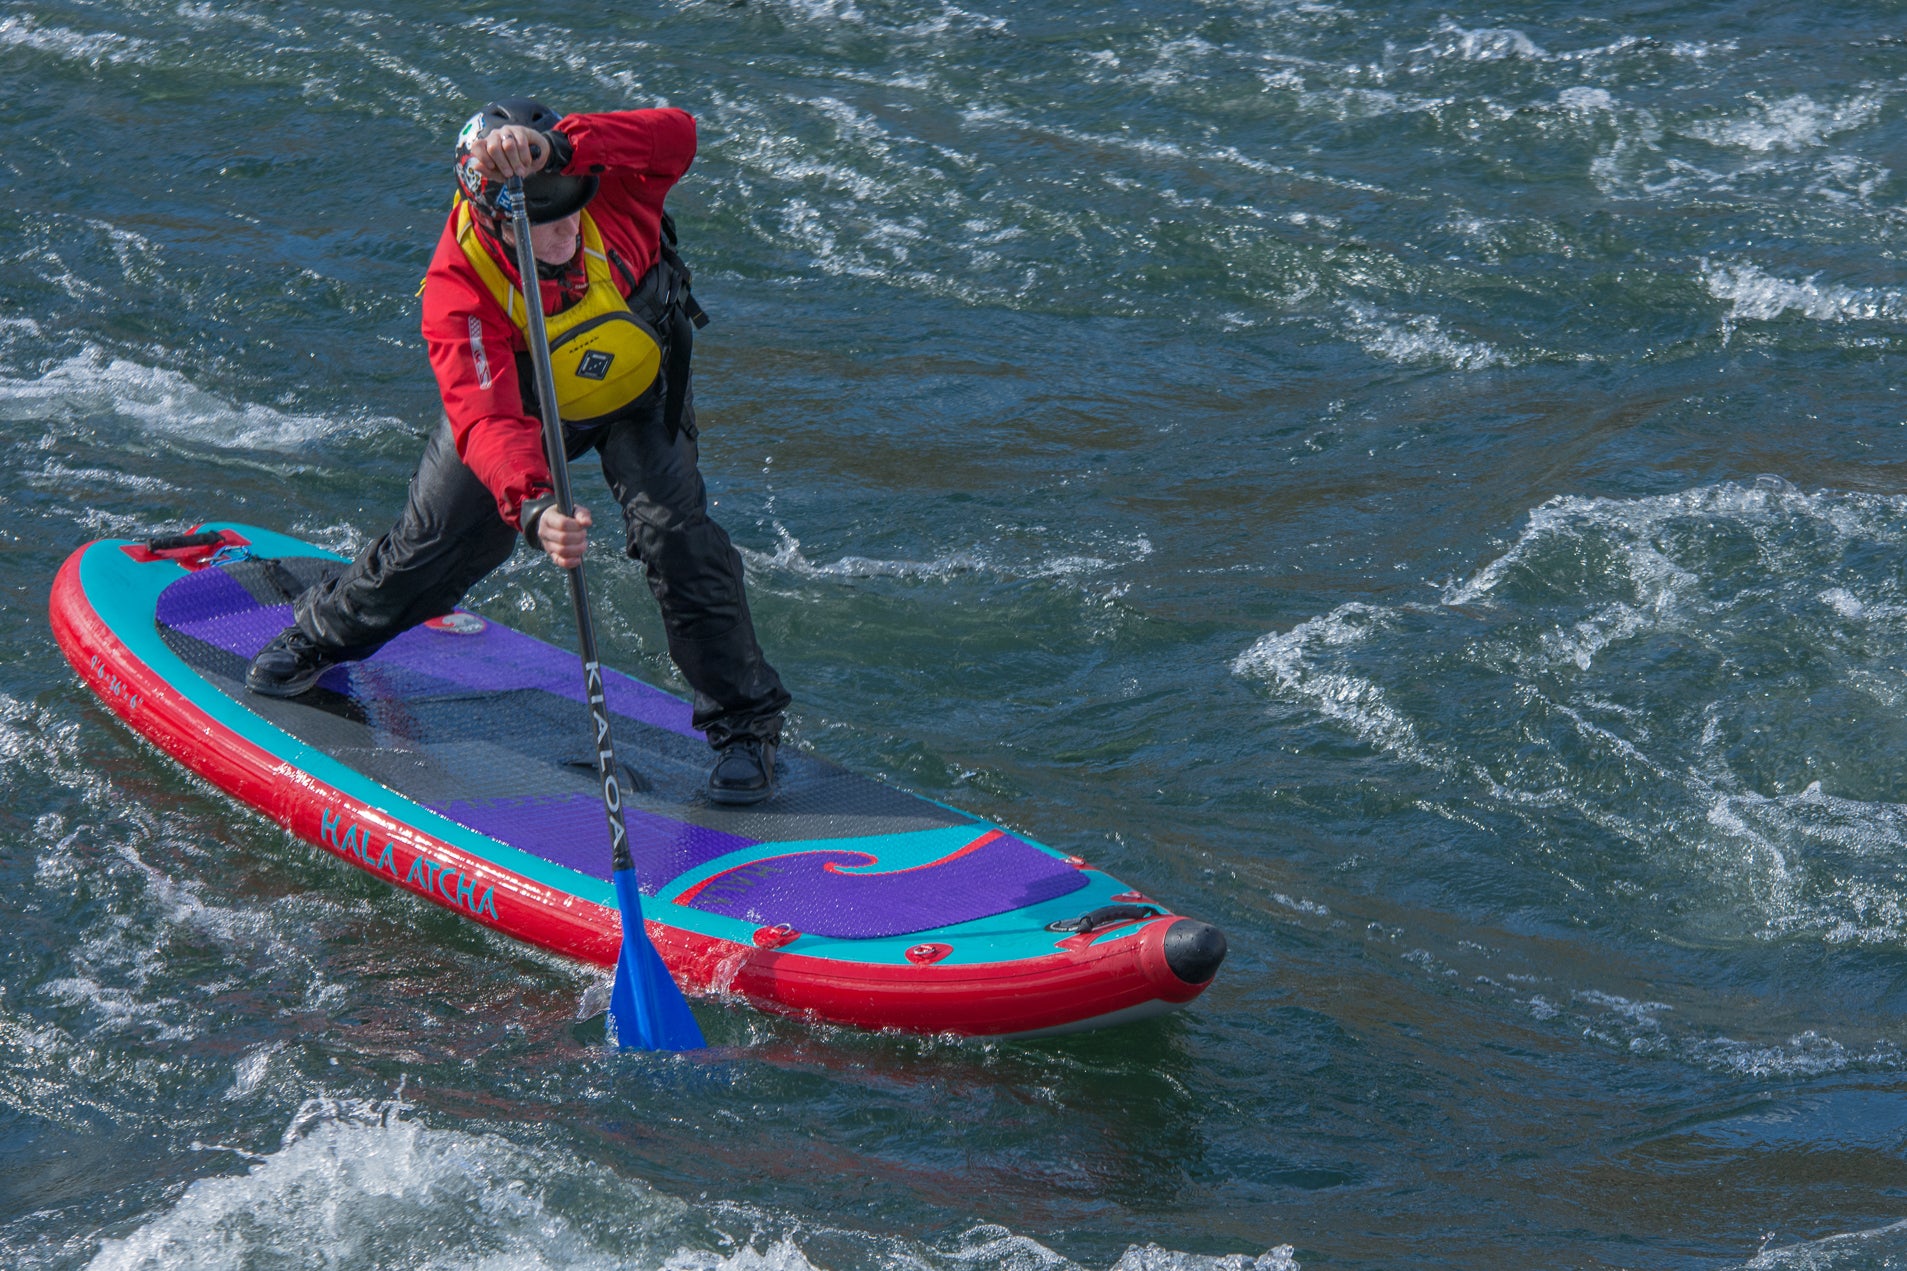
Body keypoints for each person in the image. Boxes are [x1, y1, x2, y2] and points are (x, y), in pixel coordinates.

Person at [246, 98, 789, 805]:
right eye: (541, 221)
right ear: (496, 219)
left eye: (569, 210)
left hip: (636, 384)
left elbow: (678, 133)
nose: (565, 231)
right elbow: (485, 418)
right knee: (434, 549)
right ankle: (321, 635)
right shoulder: (456, 286)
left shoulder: (604, 176)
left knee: (674, 533)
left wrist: (558, 144)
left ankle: (746, 726)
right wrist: (531, 506)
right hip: (526, 407)